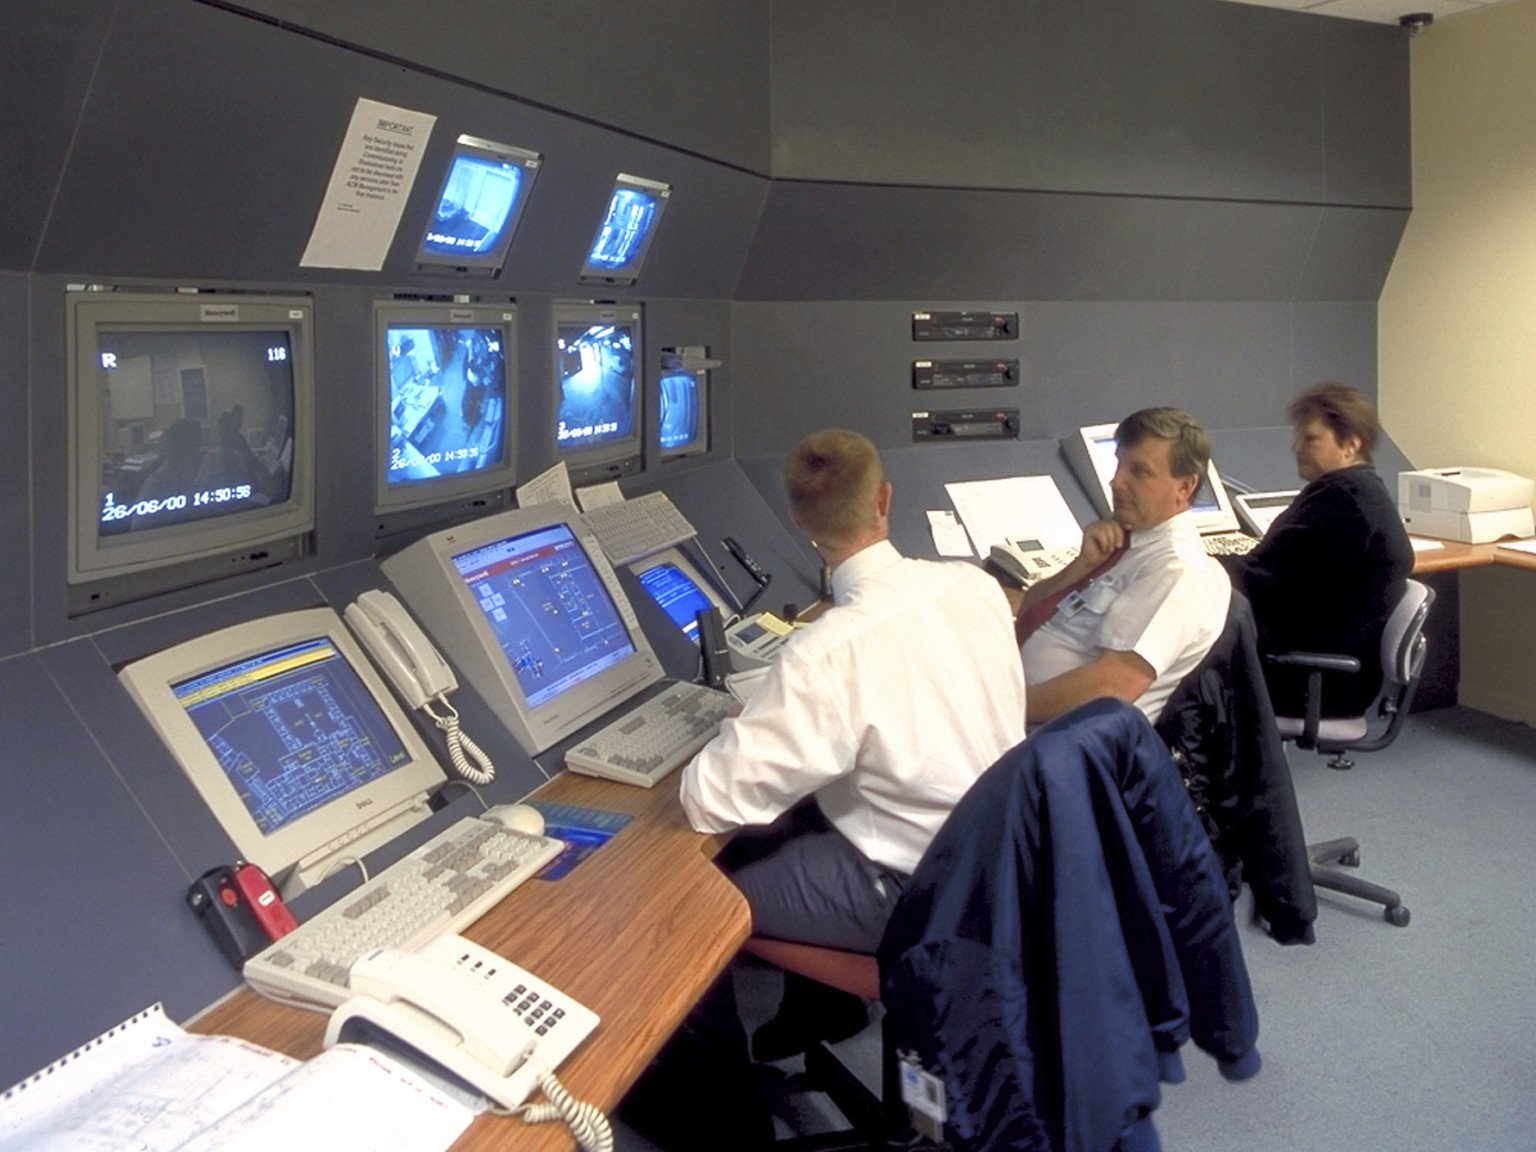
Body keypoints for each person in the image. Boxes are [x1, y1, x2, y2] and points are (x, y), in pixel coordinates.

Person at [677, 427, 1028, 1058]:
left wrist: (741, 719)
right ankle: (825, 1013)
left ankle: (729, 1120)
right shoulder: (974, 588)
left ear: (796, 520)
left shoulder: (826, 652)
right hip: (1004, 861)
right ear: (884, 499)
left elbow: (710, 803)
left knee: (695, 895)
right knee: (811, 815)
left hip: (912, 888)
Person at [1016, 407, 1231, 724]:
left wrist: (999, 711)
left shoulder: (1177, 572)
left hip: (1049, 743)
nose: (1116, 482)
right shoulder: (1127, 545)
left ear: (1184, 488)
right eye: (1119, 465)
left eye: (1139, 472)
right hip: (1018, 712)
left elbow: (1112, 685)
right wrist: (1081, 566)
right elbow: (1028, 613)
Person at [1232, 383, 1413, 718]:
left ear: (1350, 445)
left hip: (1311, 680)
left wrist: (1190, 563)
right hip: (1338, 674)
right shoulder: (1361, 491)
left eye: (1310, 438)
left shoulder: (1342, 503)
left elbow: (1255, 581)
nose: (1296, 447)